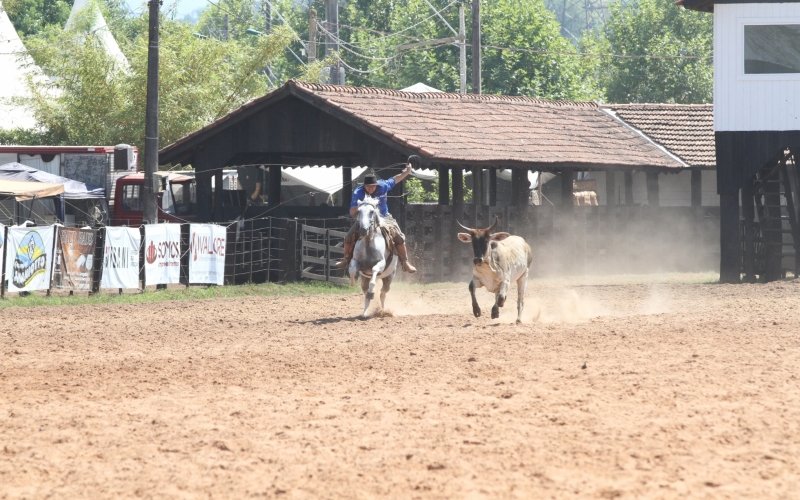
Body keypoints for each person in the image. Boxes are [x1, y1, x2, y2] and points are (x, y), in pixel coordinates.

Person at [336, 156, 419, 273]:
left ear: (376, 185)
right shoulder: (357, 193)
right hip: (364, 218)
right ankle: (345, 259)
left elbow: (395, 179)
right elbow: (352, 212)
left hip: (385, 217)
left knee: (399, 237)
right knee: (349, 236)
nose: (371, 189)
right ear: (364, 186)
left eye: (373, 186)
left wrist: (407, 172)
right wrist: (361, 207)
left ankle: (405, 262)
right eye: (368, 187)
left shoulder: (383, 186)